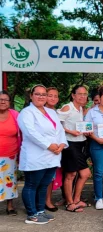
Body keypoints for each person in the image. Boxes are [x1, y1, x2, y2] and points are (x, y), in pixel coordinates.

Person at [18, 84, 68, 224]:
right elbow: (30, 133)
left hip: (52, 155)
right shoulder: (27, 113)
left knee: (44, 184)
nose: (41, 97)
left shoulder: (51, 112)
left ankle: (40, 211)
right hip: (36, 156)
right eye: (38, 94)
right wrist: (49, 145)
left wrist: (62, 144)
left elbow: (60, 131)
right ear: (31, 96)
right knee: (32, 184)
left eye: (43, 94)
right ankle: (32, 215)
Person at [57, 85, 91, 212]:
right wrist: (70, 131)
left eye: (85, 94)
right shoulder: (68, 107)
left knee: (85, 173)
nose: (83, 96)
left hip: (80, 143)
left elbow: (81, 126)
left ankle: (76, 199)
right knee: (71, 174)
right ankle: (70, 203)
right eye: (80, 94)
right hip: (69, 144)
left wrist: (85, 132)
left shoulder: (81, 109)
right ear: (73, 95)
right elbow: (56, 123)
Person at [0, 90, 21, 216]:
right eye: (0, 99)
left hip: (11, 154)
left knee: (9, 180)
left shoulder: (15, 115)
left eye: (5, 99)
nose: (2, 101)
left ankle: (10, 206)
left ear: (9, 102)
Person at [44, 87, 60, 211]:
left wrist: (61, 145)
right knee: (38, 177)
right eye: (50, 95)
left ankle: (47, 200)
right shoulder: (37, 111)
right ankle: (37, 202)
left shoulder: (55, 112)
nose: (53, 98)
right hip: (42, 148)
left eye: (55, 96)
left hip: (55, 150)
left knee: (50, 177)